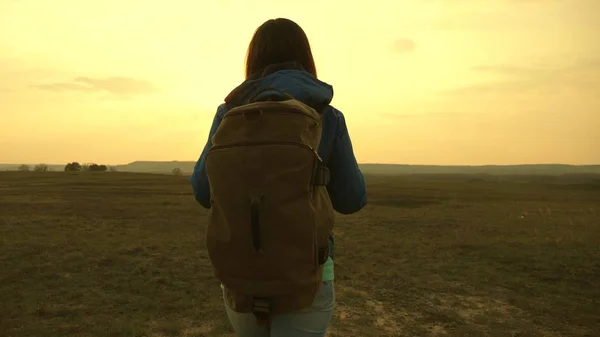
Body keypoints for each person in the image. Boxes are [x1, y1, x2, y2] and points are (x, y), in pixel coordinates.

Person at [190, 18, 367, 337]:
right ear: (306, 59)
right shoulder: (327, 114)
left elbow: (202, 191)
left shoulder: (228, 114)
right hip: (309, 275)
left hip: (242, 275)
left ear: (252, 61)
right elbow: (352, 199)